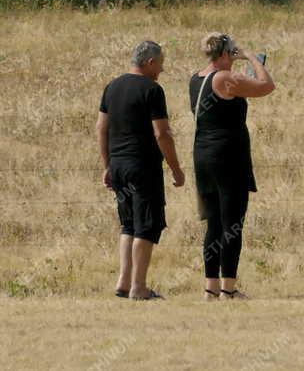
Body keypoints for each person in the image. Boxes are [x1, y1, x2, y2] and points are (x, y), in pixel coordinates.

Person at [189, 33, 275, 301]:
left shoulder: (196, 78)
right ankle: (228, 288)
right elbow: (266, 85)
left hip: (203, 155)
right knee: (233, 223)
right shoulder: (225, 79)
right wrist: (250, 56)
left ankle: (210, 287)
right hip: (228, 156)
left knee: (214, 223)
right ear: (226, 53)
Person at [96, 40, 184, 300]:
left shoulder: (112, 86)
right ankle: (139, 287)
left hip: (120, 166)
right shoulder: (152, 89)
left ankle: (123, 283)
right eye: (161, 64)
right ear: (150, 62)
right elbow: (162, 133)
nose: (162, 70)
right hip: (143, 166)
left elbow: (101, 128)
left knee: (128, 225)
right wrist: (176, 168)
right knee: (146, 225)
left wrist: (108, 165)